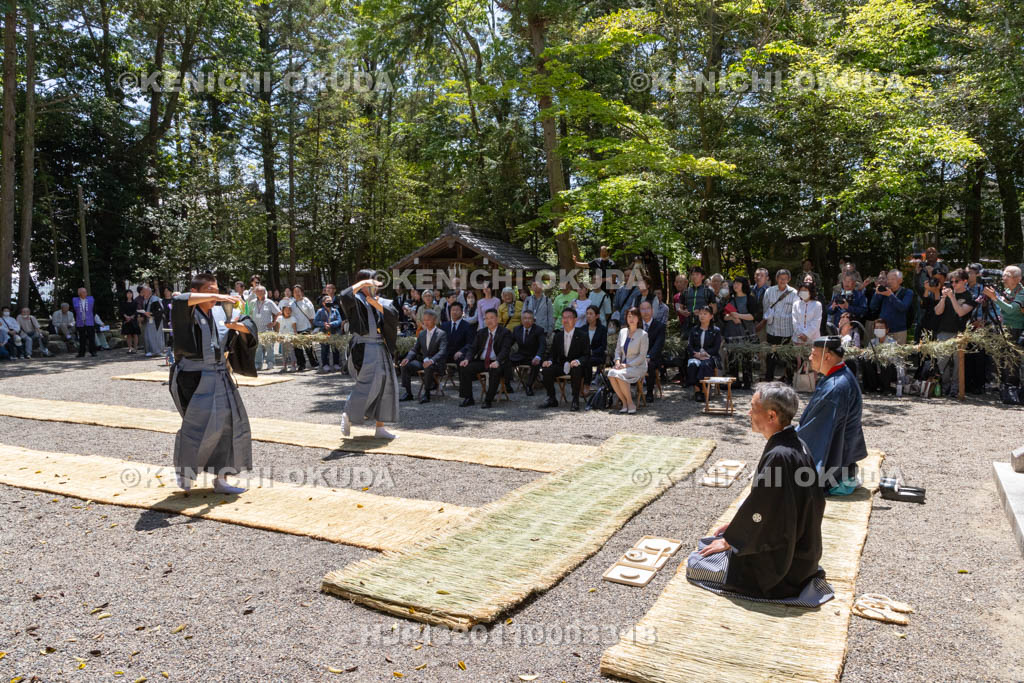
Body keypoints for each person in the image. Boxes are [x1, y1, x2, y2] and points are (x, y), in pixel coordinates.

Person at [685, 382, 832, 605]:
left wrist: (732, 541)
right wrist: (735, 529)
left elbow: (762, 513)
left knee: (695, 564)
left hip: (781, 571)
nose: (749, 412)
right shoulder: (798, 443)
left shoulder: (780, 456)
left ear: (772, 415)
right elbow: (765, 505)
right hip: (803, 555)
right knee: (711, 541)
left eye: (753, 407)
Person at [169, 273, 256, 494]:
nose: (215, 295)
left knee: (229, 425)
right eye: (210, 290)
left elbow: (248, 325)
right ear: (196, 293)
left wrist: (240, 328)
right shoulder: (185, 310)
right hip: (193, 376)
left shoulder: (220, 311)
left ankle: (221, 479)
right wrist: (220, 297)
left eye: (217, 291)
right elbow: (179, 300)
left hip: (219, 374)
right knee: (197, 426)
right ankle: (185, 472)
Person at [796, 336, 868, 495]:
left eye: (813, 355)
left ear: (827, 357)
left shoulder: (836, 387)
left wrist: (788, 440)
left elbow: (816, 432)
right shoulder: (840, 374)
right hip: (843, 456)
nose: (809, 358)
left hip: (836, 466)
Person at [338, 271, 400, 438]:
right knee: (368, 383)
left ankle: (380, 427)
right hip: (364, 348)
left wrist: (375, 303)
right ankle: (348, 413)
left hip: (381, 346)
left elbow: (393, 316)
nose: (374, 285)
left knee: (386, 385)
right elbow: (344, 296)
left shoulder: (381, 300)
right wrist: (361, 285)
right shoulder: (355, 300)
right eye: (370, 283)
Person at [459, 308, 512, 408]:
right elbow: (472, 348)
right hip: (483, 361)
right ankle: (468, 398)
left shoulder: (505, 332)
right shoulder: (481, 332)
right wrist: (467, 359)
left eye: (492, 318)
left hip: (498, 362)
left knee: (495, 370)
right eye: (486, 318)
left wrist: (497, 361)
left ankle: (488, 400)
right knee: (464, 367)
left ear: (497, 319)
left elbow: (505, 350)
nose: (489, 320)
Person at [539, 307, 591, 411]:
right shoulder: (558, 335)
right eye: (563, 318)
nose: (566, 320)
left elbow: (587, 355)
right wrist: (549, 361)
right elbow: (552, 354)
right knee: (546, 370)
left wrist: (578, 361)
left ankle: (575, 400)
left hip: (577, 367)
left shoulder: (583, 335)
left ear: (575, 320)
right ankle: (551, 398)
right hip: (562, 365)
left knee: (577, 369)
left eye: (569, 317)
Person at [605, 306, 649, 413]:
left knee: (619, 375)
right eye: (629, 316)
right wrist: (617, 361)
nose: (631, 319)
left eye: (634, 316)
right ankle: (624, 402)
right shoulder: (622, 332)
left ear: (638, 318)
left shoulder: (643, 334)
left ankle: (630, 402)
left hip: (638, 366)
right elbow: (617, 351)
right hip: (623, 365)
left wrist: (627, 365)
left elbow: (642, 357)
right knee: (611, 373)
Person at [399, 309, 448, 403]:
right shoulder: (422, 334)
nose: (426, 322)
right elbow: (414, 349)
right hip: (423, 362)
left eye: (428, 319)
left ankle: (427, 394)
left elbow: (442, 351)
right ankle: (408, 393)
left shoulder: (441, 334)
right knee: (405, 365)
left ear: (434, 320)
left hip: (436, 363)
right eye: (424, 319)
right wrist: (407, 358)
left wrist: (432, 360)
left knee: (428, 366)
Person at [721, 276, 759, 389]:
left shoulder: (750, 299)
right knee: (733, 356)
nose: (736, 285)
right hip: (732, 331)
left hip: (745, 331)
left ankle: (747, 381)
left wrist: (739, 316)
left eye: (739, 283)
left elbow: (753, 316)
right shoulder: (729, 298)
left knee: (746, 356)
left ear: (744, 285)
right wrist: (732, 318)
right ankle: (734, 381)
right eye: (735, 283)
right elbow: (723, 316)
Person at [762, 270, 797, 382]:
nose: (782, 280)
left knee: (788, 355)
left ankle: (789, 378)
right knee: (771, 354)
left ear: (789, 279)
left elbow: (796, 311)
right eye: (780, 278)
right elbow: (765, 308)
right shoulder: (769, 291)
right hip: (772, 328)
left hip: (787, 330)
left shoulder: (794, 293)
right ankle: (769, 378)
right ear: (776, 279)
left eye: (785, 278)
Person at [685, 306, 722, 400]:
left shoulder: (716, 330)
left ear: (711, 316)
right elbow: (689, 345)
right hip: (696, 355)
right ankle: (697, 391)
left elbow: (716, 348)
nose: (702, 316)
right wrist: (695, 354)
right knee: (693, 364)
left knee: (705, 365)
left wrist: (705, 354)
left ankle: (705, 391)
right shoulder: (694, 330)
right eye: (700, 313)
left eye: (705, 314)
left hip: (710, 356)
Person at [507, 309, 546, 396]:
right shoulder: (517, 329)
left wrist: (538, 356)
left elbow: (542, 346)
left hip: (534, 355)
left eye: (529, 318)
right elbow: (509, 343)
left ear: (533, 320)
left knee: (536, 364)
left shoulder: (539, 330)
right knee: (505, 361)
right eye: (524, 318)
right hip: (521, 355)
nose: (527, 320)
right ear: (521, 320)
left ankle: (529, 386)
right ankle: (507, 386)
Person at [869, 269, 914, 344]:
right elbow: (873, 307)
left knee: (898, 354)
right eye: (888, 279)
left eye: (893, 279)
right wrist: (877, 294)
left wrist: (890, 295)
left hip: (899, 331)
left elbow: (903, 308)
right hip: (883, 332)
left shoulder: (907, 292)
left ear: (900, 280)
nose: (889, 281)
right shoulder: (885, 291)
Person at [639, 300, 665, 402]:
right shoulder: (637, 325)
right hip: (638, 356)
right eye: (643, 309)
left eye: (648, 308)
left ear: (652, 310)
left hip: (654, 357)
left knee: (650, 365)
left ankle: (649, 392)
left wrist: (648, 357)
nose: (645, 311)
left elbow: (658, 345)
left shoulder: (660, 326)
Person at [250, 286, 281, 371]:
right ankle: (258, 364)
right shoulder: (252, 302)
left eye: (261, 292)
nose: (260, 293)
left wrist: (274, 322)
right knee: (258, 348)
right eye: (258, 292)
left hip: (267, 329)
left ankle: (270, 362)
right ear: (255, 293)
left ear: (265, 292)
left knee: (269, 346)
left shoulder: (269, 302)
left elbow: (278, 312)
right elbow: (248, 313)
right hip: (256, 329)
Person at [290, 285, 319, 371]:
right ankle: (301, 364)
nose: (297, 293)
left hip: (306, 327)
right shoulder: (292, 304)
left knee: (308, 347)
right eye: (295, 292)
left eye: (298, 291)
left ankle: (314, 362)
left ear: (302, 292)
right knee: (297, 348)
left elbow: (312, 315)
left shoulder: (307, 302)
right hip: (296, 328)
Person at [679, 266, 716, 335]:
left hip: (703, 324)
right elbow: (679, 307)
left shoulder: (708, 291)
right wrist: (683, 312)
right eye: (692, 274)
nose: (694, 276)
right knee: (687, 344)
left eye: (697, 274)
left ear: (703, 277)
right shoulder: (686, 291)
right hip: (687, 324)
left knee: (703, 344)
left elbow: (714, 309)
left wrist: (703, 312)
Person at [314, 295, 344, 372]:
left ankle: (336, 364)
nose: (330, 302)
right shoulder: (320, 311)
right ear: (323, 303)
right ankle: (325, 364)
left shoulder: (335, 310)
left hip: (334, 332)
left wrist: (331, 324)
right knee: (324, 349)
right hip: (324, 332)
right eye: (327, 301)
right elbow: (315, 321)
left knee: (335, 349)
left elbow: (339, 320)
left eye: (330, 301)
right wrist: (324, 324)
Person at [583, 305, 608, 385]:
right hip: (584, 355)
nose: (588, 316)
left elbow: (603, 346)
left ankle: (587, 385)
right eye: (587, 313)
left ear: (597, 316)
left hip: (598, 355)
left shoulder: (602, 329)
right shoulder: (582, 328)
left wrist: (592, 352)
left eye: (591, 314)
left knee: (588, 361)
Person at [138, 285, 165, 357]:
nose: (143, 292)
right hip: (148, 321)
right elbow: (145, 311)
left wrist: (151, 314)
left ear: (149, 292)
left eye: (145, 291)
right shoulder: (145, 300)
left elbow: (160, 310)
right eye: (143, 291)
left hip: (156, 321)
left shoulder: (155, 299)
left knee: (156, 336)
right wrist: (143, 316)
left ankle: (158, 351)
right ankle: (150, 350)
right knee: (148, 336)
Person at [72, 288, 98, 358]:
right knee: (81, 338)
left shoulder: (91, 299)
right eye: (83, 292)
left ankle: (93, 351)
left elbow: (94, 309)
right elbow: (74, 311)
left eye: (85, 292)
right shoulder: (75, 300)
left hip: (89, 321)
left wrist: (91, 317)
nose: (85, 293)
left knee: (91, 337)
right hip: (80, 322)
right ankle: (81, 352)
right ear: (79, 293)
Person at [276, 304, 298, 372]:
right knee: (283, 352)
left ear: (291, 311)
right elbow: (278, 328)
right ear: (283, 311)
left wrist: (295, 336)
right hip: (282, 337)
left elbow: (294, 329)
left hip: (290, 337)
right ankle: (284, 366)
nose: (287, 311)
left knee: (292, 352)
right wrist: (277, 335)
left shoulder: (293, 318)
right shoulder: (279, 318)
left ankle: (293, 365)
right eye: (286, 310)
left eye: (289, 310)